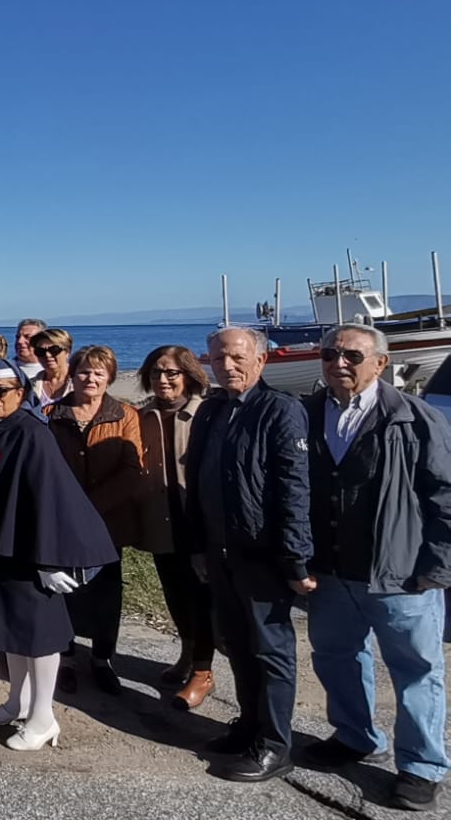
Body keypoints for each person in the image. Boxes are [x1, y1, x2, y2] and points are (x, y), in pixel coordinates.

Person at [298, 324, 451, 811]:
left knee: (417, 670)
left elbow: (445, 497)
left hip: (401, 575)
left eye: (351, 355)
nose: (338, 363)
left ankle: (421, 766)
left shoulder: (417, 418)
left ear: (380, 363)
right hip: (331, 573)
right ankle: (355, 736)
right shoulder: (306, 415)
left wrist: (439, 568)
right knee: (337, 658)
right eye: (328, 354)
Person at [0, 359, 117, 751]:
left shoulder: (32, 433)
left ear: (20, 391)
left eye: (1, 391)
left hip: (29, 553)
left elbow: (52, 496)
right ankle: (17, 701)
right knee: (9, 633)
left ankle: (43, 717)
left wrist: (52, 559)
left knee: (39, 638)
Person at [184, 326, 313, 783]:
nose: (228, 365)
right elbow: (197, 481)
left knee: (270, 651)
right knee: (237, 645)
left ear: (261, 360)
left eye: (238, 357)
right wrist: (196, 545)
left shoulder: (280, 410)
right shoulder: (212, 410)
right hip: (219, 553)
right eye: (219, 358)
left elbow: (294, 489)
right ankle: (248, 726)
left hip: (262, 556)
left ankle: (275, 745)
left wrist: (297, 558)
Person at [44, 345, 144, 695]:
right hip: (62, 519)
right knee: (64, 591)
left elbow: (133, 469)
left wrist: (91, 508)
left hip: (108, 521)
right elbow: (45, 469)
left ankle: (102, 659)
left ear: (110, 377)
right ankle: (66, 657)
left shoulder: (125, 415)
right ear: (72, 374)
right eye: (85, 371)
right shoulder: (52, 414)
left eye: (99, 372)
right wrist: (69, 508)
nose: (91, 378)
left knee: (106, 593)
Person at [135, 344, 216, 711]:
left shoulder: (206, 413)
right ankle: (186, 652)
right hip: (160, 518)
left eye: (171, 373)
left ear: (188, 375)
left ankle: (203, 670)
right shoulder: (143, 415)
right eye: (156, 373)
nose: (163, 379)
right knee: (174, 592)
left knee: (201, 596)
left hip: (197, 519)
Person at [30, 328, 74, 406]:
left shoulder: (80, 382)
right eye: (41, 351)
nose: (47, 355)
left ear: (67, 352)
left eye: (54, 350)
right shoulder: (29, 385)